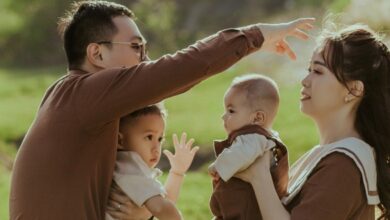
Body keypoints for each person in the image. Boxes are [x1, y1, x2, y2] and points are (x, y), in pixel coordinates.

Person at [9, 0, 315, 219]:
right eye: (136, 47)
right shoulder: (88, 94)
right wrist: (256, 36)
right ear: (97, 53)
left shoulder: (66, 95)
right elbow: (181, 68)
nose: (144, 60)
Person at [237, 23, 390, 220]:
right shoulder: (325, 156)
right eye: (309, 69)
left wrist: (259, 176)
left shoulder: (344, 166)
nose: (305, 80)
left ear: (353, 90)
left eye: (318, 71)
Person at [208, 74, 288, 220]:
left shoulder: (253, 138)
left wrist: (218, 166)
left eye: (231, 111)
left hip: (246, 211)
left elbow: (241, 153)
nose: (223, 116)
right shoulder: (262, 138)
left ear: (257, 118)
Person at [105, 104, 198, 220]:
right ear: (120, 140)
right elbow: (160, 208)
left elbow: (164, 202)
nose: (156, 147)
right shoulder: (129, 168)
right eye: (149, 137)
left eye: (160, 139)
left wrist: (177, 172)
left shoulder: (127, 167)